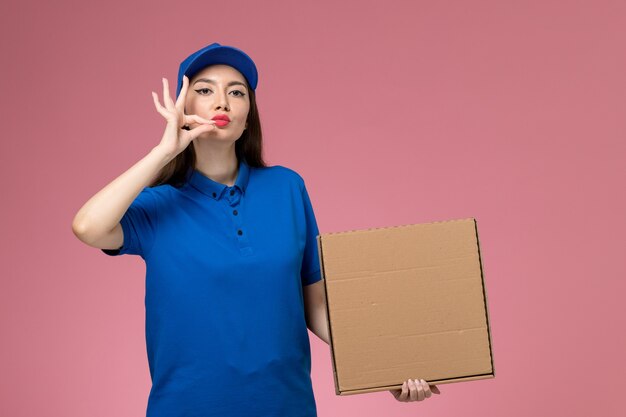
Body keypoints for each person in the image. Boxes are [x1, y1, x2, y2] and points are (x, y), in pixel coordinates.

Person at [72, 42, 439, 417]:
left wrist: (387, 366)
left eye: (236, 92)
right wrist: (164, 151)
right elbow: (87, 227)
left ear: (248, 116)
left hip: (286, 406)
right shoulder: (158, 205)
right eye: (204, 90)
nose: (222, 102)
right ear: (183, 109)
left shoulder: (286, 188)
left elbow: (315, 306)